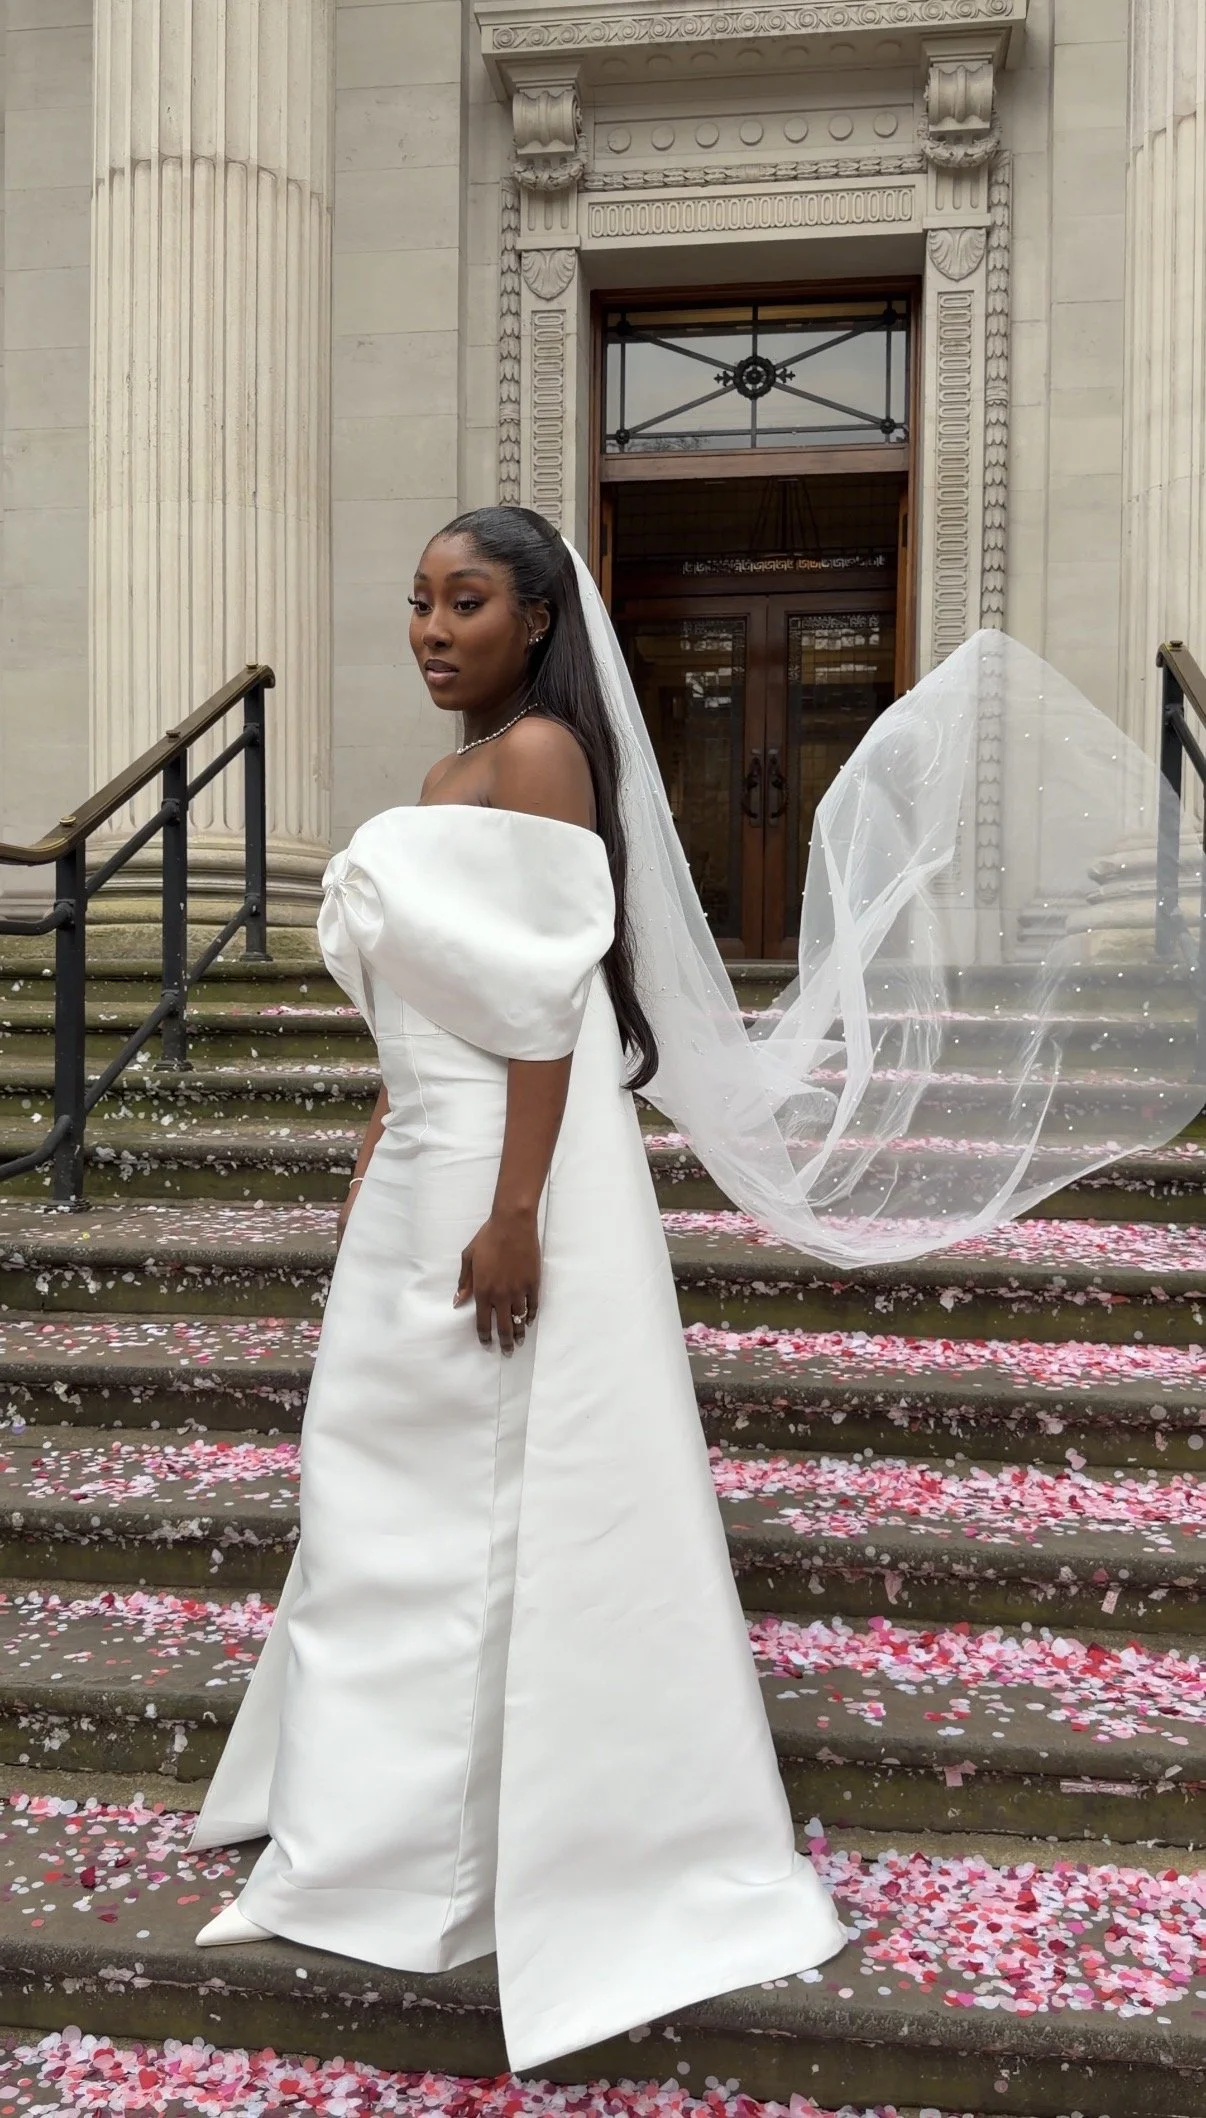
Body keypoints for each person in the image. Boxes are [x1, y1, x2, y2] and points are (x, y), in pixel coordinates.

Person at [188, 506, 848, 2073]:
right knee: (376, 1494)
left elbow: (547, 1010)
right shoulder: (442, 778)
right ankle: (365, 1824)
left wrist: (512, 1210)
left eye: (465, 601)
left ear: (537, 620)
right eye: (417, 600)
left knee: (488, 1500)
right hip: (423, 1162)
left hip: (507, 1169)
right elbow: (441, 1002)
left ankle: (468, 1845)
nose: (430, 627)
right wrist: (378, 1154)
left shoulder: (543, 757)